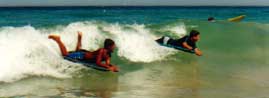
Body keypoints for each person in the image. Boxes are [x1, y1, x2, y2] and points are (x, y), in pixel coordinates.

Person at [48, 31, 119, 72]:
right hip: (82, 56)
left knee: (77, 50)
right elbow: (98, 63)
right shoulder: (102, 51)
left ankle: (79, 39)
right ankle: (58, 40)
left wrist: (112, 66)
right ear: (109, 46)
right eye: (113, 46)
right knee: (65, 55)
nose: (114, 47)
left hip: (86, 55)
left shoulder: (109, 54)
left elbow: (108, 63)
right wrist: (109, 67)